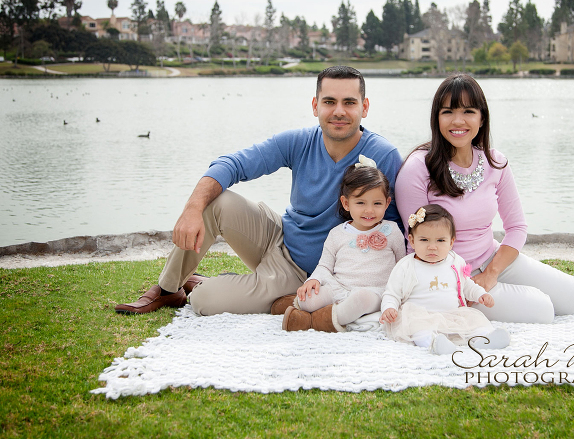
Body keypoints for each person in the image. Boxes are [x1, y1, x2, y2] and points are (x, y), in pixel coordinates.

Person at [115, 66, 402, 316]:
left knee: (203, 301)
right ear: (315, 106)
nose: (339, 111)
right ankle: (168, 288)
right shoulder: (299, 141)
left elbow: (394, 229)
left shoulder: (384, 154)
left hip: (308, 271)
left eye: (349, 102)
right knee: (216, 201)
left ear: (364, 107)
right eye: (330, 101)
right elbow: (233, 163)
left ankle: (212, 286)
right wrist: (191, 209)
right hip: (280, 235)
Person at [394, 74, 574, 324]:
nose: (458, 121)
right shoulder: (417, 169)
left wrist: (492, 272)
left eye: (468, 111)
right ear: (436, 118)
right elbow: (416, 246)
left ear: (482, 117)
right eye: (448, 112)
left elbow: (517, 227)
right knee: (543, 309)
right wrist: (458, 286)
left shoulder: (495, 162)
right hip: (448, 276)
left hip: (493, 258)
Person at [282, 156, 406, 332]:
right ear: (346, 203)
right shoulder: (337, 233)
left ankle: (316, 321)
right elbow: (324, 265)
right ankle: (303, 306)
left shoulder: (392, 231)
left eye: (377, 203)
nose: (369, 210)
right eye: (360, 203)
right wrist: (314, 279)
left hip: (375, 291)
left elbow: (402, 265)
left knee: (361, 300)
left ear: (387, 203)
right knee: (306, 299)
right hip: (339, 287)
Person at [380, 205, 510, 355]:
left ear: (451, 242)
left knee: (474, 322)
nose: (432, 247)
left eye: (440, 240)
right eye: (424, 240)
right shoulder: (406, 266)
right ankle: (434, 343)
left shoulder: (455, 261)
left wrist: (480, 294)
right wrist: (389, 308)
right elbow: (392, 293)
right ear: (412, 241)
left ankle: (485, 339)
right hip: (421, 316)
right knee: (419, 330)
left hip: (452, 314)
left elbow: (467, 284)